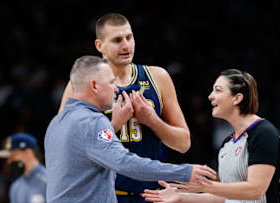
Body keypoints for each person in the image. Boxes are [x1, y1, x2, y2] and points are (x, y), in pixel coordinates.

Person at [58, 12, 191, 202]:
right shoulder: (82, 84)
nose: (126, 45)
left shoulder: (157, 77)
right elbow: (64, 148)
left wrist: (152, 121)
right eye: (117, 40)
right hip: (105, 195)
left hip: (151, 195)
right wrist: (114, 124)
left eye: (129, 37)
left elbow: (183, 143)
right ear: (99, 46)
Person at [45, 55, 216, 203]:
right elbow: (125, 163)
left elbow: (88, 153)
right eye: (111, 82)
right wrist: (184, 172)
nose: (116, 88)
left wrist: (114, 125)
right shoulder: (93, 121)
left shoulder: (57, 122)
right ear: (94, 86)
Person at [143, 69, 280, 203]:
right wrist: (181, 197)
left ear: (237, 98)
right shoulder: (226, 144)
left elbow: (256, 190)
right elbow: (226, 197)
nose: (210, 96)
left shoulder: (264, 134)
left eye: (218, 90)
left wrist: (206, 185)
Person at [0, 132, 47, 203]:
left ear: (28, 153)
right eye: (9, 158)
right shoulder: (16, 186)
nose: (9, 161)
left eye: (13, 156)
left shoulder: (48, 181)